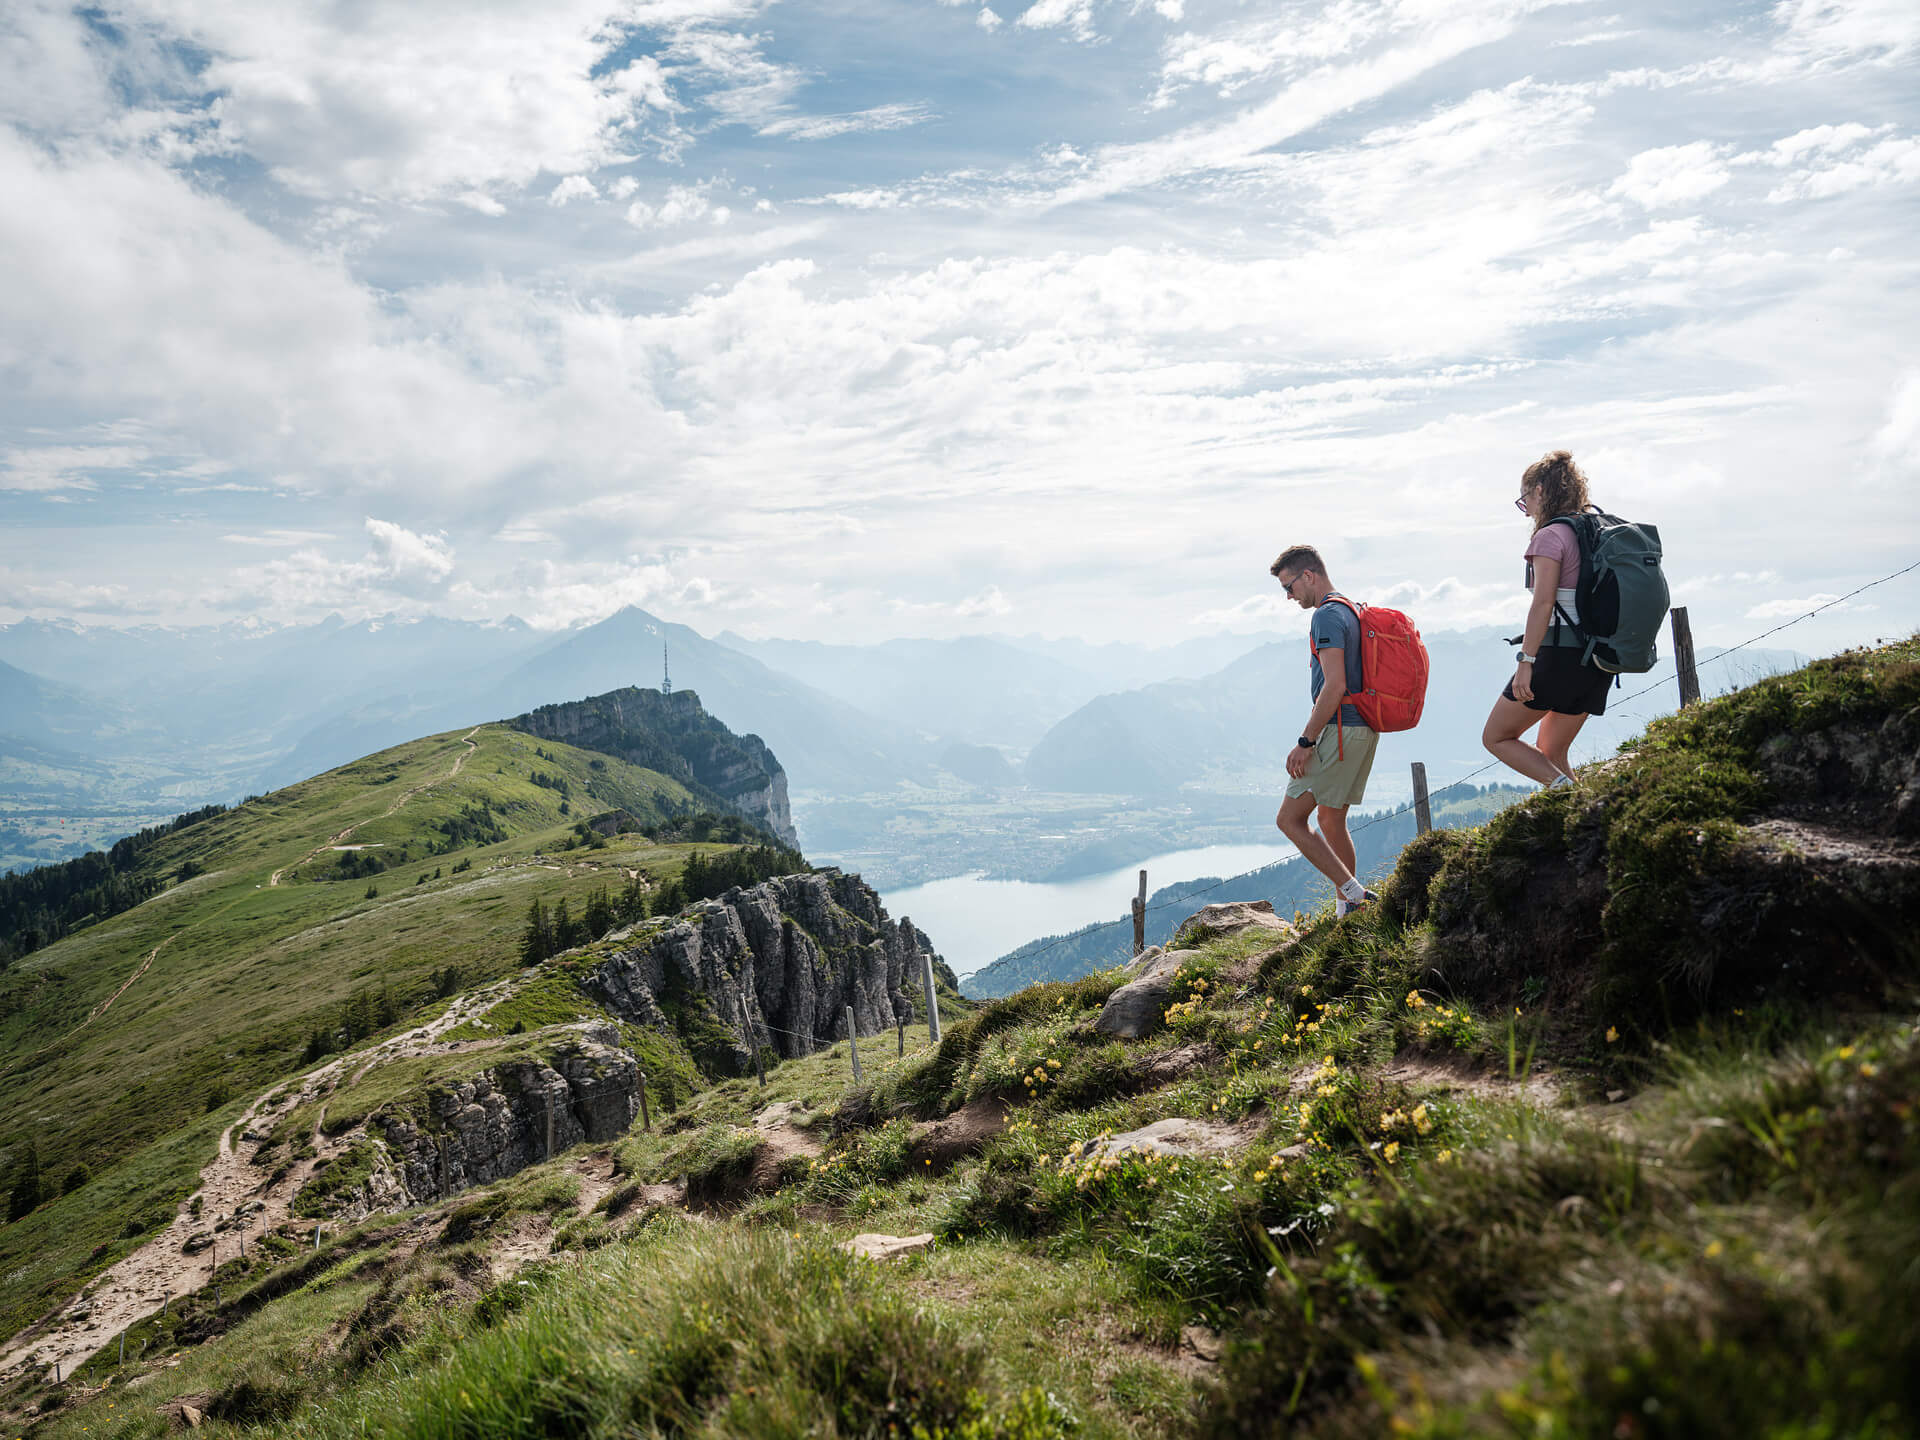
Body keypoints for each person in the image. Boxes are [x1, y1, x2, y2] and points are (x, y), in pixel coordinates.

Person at [1482, 449, 1611, 786]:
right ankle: (1585, 816)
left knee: (1496, 737)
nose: (1526, 509)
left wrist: (1526, 662)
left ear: (1539, 491)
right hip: (1599, 660)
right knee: (1551, 750)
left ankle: (1564, 793)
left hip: (1558, 658)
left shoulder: (1550, 536)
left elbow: (1542, 604)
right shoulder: (1598, 532)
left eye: (1525, 497)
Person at [1268, 544, 1378, 917]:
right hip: (1362, 727)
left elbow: (1334, 685)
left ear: (1308, 576)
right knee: (1331, 818)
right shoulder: (1351, 609)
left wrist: (1305, 741)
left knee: (1289, 819)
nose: (1288, 596)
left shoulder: (1326, 617)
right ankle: (1348, 909)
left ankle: (1353, 894)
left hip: (1339, 730)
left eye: (1289, 586)